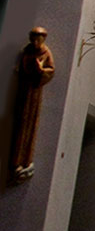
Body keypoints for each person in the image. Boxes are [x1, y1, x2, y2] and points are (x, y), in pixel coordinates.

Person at [9, 27, 56, 182]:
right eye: (34, 38)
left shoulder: (45, 53)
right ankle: (16, 162)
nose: (36, 41)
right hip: (23, 92)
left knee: (29, 125)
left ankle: (24, 162)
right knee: (19, 124)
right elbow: (20, 69)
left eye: (39, 38)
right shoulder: (27, 52)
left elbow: (50, 70)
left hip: (34, 93)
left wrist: (40, 70)